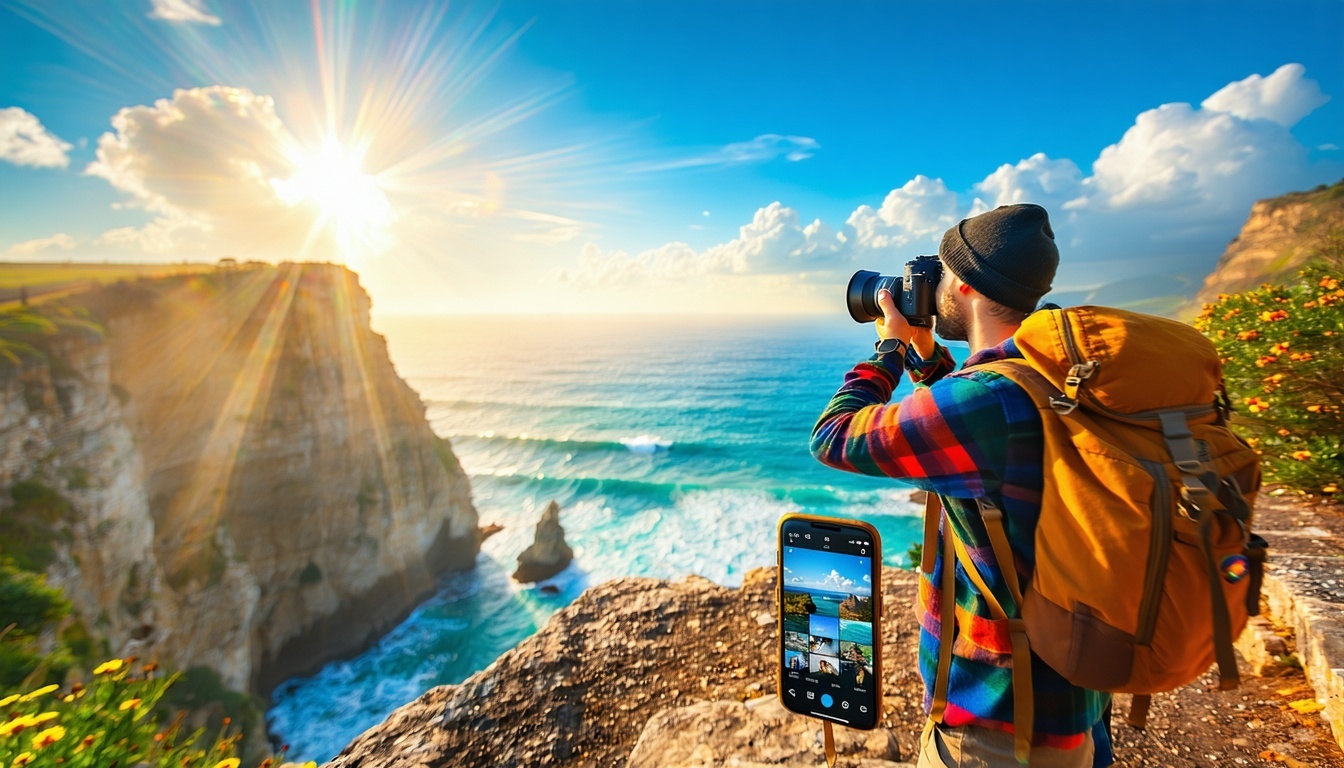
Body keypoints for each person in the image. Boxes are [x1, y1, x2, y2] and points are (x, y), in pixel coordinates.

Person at [810, 204, 1113, 768]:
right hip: (1080, 700)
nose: (929, 288)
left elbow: (832, 437)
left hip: (1001, 728)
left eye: (940, 275)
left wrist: (890, 350)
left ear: (967, 287)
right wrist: (927, 355)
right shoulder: (1059, 372)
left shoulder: (987, 404)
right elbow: (978, 412)